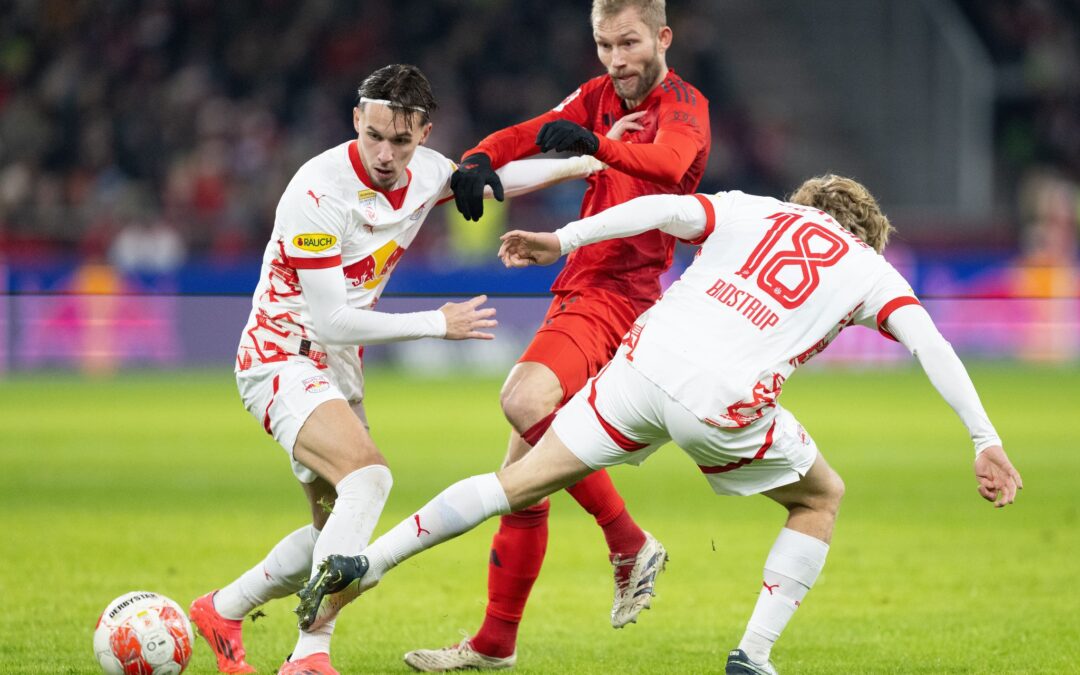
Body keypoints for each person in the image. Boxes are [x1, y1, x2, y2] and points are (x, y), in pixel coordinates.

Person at [292, 175, 1023, 674]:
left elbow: (664, 211)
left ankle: (371, 559)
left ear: (806, 202)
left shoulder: (753, 207)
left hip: (644, 360)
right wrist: (984, 440)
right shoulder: (869, 268)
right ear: (869, 231)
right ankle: (753, 655)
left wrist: (564, 236)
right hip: (724, 399)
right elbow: (931, 343)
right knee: (818, 497)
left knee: (517, 482)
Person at [189, 64, 610, 675]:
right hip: (281, 355)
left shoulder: (424, 173)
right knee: (371, 480)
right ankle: (309, 656)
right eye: (375, 136)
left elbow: (498, 179)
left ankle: (223, 609)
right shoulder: (317, 190)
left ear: (424, 134)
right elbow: (332, 319)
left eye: (402, 142)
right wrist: (438, 323)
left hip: (339, 368)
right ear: (357, 119)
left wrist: (587, 164)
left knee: (333, 532)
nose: (386, 155)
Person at [409, 1, 711, 668]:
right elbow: (536, 129)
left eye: (629, 43)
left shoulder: (686, 104)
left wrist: (595, 146)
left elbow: (667, 164)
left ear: (662, 37)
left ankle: (627, 539)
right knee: (522, 479)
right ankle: (494, 644)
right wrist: (477, 160)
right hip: (583, 284)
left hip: (619, 290)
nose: (616, 59)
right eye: (604, 44)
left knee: (521, 400)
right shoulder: (598, 95)